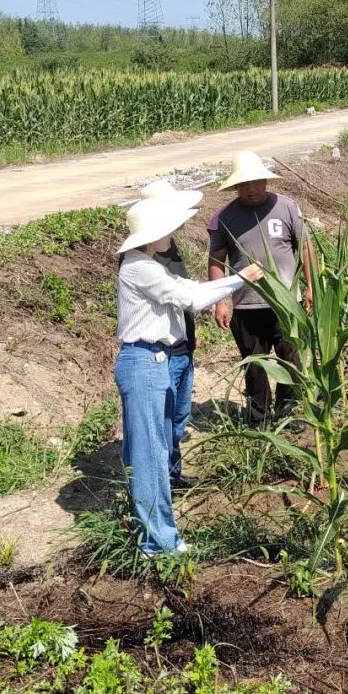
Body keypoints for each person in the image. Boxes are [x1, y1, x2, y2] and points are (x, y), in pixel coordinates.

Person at [115, 196, 263, 557]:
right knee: (151, 455)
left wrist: (234, 280)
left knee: (154, 449)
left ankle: (151, 531)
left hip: (154, 361)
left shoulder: (148, 263)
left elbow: (194, 290)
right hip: (144, 361)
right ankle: (159, 543)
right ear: (154, 233)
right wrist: (240, 279)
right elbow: (192, 299)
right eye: (169, 227)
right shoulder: (139, 267)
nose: (175, 231)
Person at [207, 150, 315, 425]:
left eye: (255, 182)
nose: (251, 189)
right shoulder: (223, 218)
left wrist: (311, 286)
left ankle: (288, 413)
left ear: (266, 182)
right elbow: (216, 261)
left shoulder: (287, 207)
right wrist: (220, 300)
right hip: (247, 304)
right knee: (255, 364)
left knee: (290, 358)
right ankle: (259, 420)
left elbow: (305, 247)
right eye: (243, 184)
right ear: (234, 187)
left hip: (286, 303)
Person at [138, 180, 203, 490]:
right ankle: (161, 481)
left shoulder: (167, 246)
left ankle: (173, 475)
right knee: (164, 424)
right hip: (163, 352)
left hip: (182, 346)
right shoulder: (142, 258)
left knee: (178, 419)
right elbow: (185, 297)